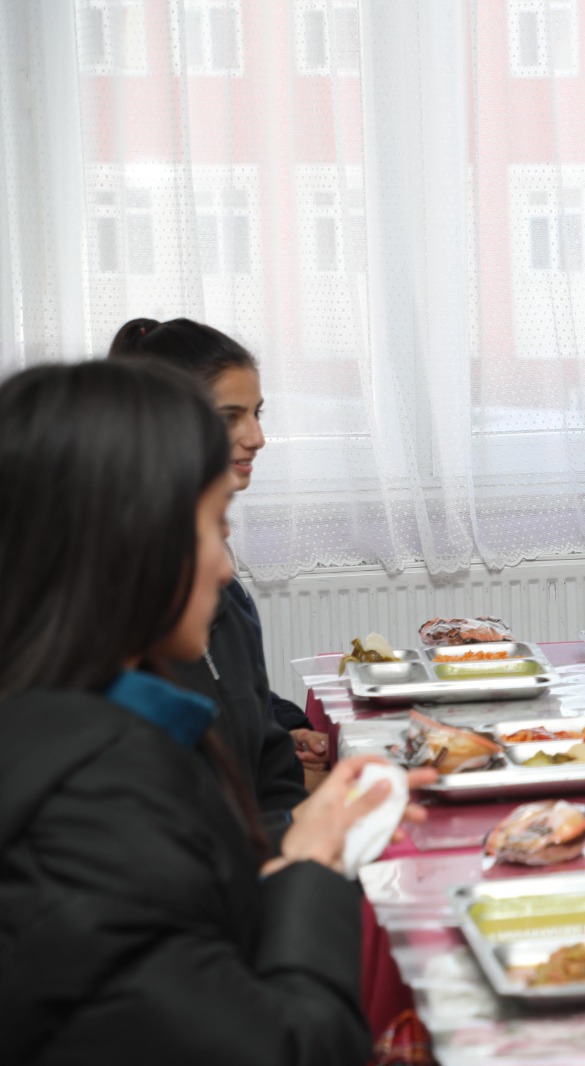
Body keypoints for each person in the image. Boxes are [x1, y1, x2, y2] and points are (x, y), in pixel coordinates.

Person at [0, 360, 434, 1063]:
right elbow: (289, 1047)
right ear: (130, 543)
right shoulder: (94, 796)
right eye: (212, 526)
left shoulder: (69, 725)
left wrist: (289, 847)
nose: (225, 567)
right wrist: (318, 869)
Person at [110, 317, 331, 798]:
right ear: (167, 423)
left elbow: (242, 706)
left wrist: (283, 733)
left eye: (257, 414)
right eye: (230, 416)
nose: (257, 437)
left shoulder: (222, 587)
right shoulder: (121, 599)